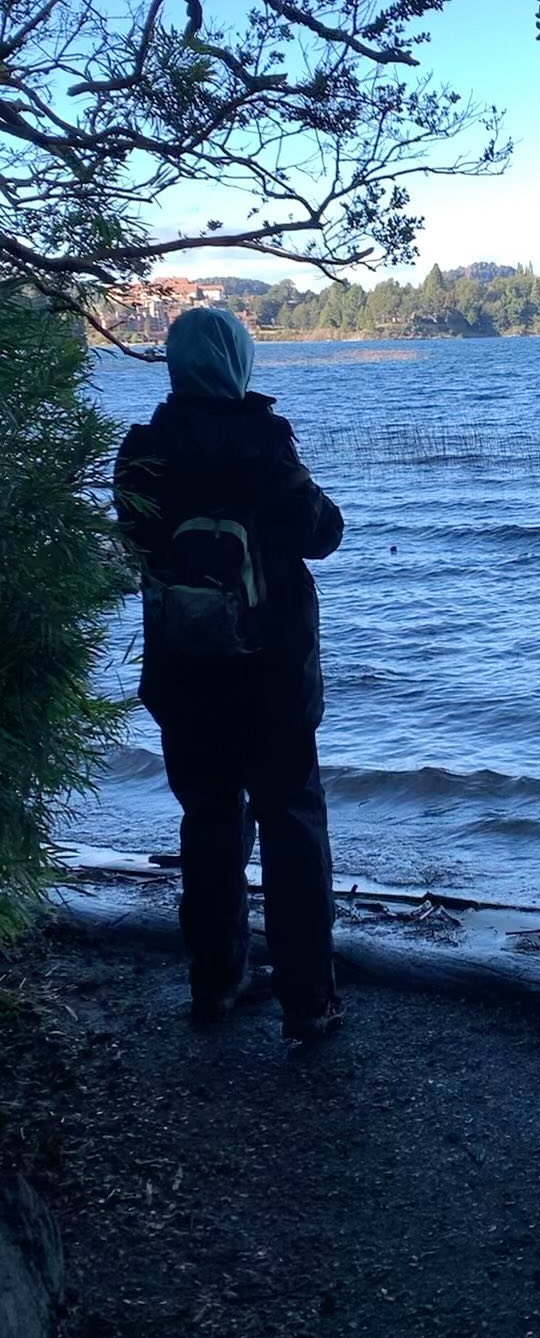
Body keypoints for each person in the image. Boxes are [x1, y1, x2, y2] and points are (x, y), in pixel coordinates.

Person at [114, 308, 345, 1043]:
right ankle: (309, 1003)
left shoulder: (143, 451)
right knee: (292, 825)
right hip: (271, 673)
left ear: (177, 364)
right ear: (238, 362)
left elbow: (134, 547)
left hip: (183, 672)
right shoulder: (264, 441)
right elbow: (323, 534)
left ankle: (215, 984)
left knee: (208, 822)